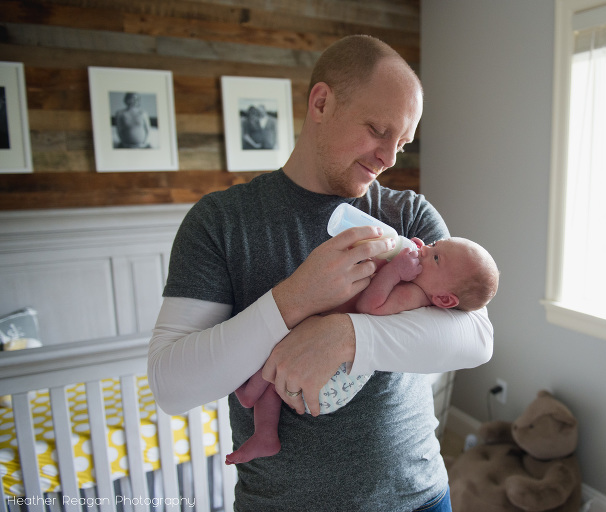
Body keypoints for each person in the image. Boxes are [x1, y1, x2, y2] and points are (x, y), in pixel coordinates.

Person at [148, 34, 494, 512]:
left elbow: (476, 338)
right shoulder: (221, 221)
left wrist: (346, 335)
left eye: (402, 142)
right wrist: (293, 299)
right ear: (321, 102)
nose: (389, 158)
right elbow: (170, 387)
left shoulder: (409, 217)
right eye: (377, 130)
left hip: (418, 497)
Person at [225, 236, 499, 464]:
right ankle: (265, 435)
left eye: (435, 257)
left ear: (444, 299)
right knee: (281, 367)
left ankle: (250, 395)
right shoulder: (421, 285)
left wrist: (395, 271)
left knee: (282, 347)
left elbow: (370, 307)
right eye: (433, 244)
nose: (424, 249)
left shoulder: (414, 294)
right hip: (332, 373)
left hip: (334, 380)